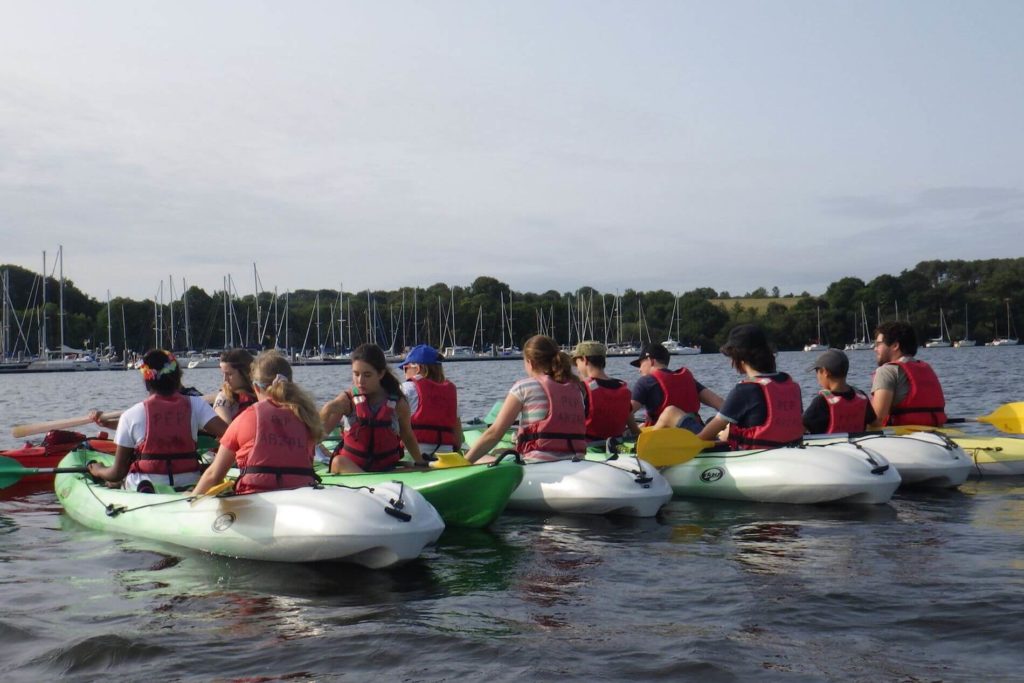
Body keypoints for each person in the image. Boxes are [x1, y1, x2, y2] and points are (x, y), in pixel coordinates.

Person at [87, 349, 227, 491]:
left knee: (115, 481)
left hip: (148, 484)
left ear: (147, 382)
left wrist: (98, 469)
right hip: (190, 480)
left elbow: (117, 472)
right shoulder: (197, 404)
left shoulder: (130, 415)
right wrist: (215, 466)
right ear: (177, 378)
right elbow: (230, 435)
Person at [193, 351, 321, 496]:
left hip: (255, 498)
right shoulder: (307, 416)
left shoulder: (246, 417)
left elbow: (213, 475)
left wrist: (190, 500)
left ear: (256, 387)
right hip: (301, 495)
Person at [465, 334, 586, 463]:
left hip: (538, 463)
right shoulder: (576, 388)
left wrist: (464, 462)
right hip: (576, 460)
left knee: (478, 459)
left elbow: (494, 434)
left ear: (530, 362)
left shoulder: (523, 387)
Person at [320, 343, 428, 473]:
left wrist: (420, 462)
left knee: (413, 470)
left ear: (381, 374)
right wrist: (328, 409)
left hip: (386, 469)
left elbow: (407, 436)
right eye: (356, 374)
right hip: (351, 469)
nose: (360, 381)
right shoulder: (347, 401)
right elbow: (320, 432)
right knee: (338, 461)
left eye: (367, 375)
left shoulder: (398, 403)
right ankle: (370, 486)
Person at [694, 324, 804, 449]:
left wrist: (689, 445)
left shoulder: (744, 390)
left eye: (731, 357)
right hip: (790, 448)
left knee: (678, 415)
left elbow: (704, 437)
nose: (731, 362)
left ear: (740, 358)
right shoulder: (790, 384)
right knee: (717, 422)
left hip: (753, 455)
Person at [630, 342, 723, 432]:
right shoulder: (687, 379)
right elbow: (719, 403)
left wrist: (633, 430)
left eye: (641, 364)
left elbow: (625, 413)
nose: (639, 370)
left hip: (666, 440)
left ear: (651, 361)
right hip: (694, 433)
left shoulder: (645, 382)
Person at [870, 320, 947, 427]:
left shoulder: (886, 371)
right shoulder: (927, 368)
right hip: (935, 435)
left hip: (901, 439)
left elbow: (877, 420)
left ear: (895, 345)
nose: (875, 349)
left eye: (878, 344)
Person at [399, 344, 464, 456]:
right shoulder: (449, 393)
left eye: (405, 369)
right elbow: (459, 439)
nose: (404, 374)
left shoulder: (406, 388)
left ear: (418, 368)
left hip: (413, 455)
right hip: (445, 455)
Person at [571, 340, 640, 444]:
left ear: (584, 360)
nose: (577, 368)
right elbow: (635, 430)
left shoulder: (581, 388)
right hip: (617, 448)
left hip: (589, 451)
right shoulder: (623, 388)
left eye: (577, 363)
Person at [802, 348, 877, 434]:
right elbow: (875, 423)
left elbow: (798, 430)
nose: (817, 376)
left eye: (817, 371)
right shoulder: (862, 396)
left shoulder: (820, 402)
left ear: (825, 372)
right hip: (856, 446)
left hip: (829, 447)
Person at [213, 348, 257, 424]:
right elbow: (226, 428)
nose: (225, 379)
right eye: (223, 374)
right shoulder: (224, 398)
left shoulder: (261, 394)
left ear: (245, 373)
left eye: (229, 374)